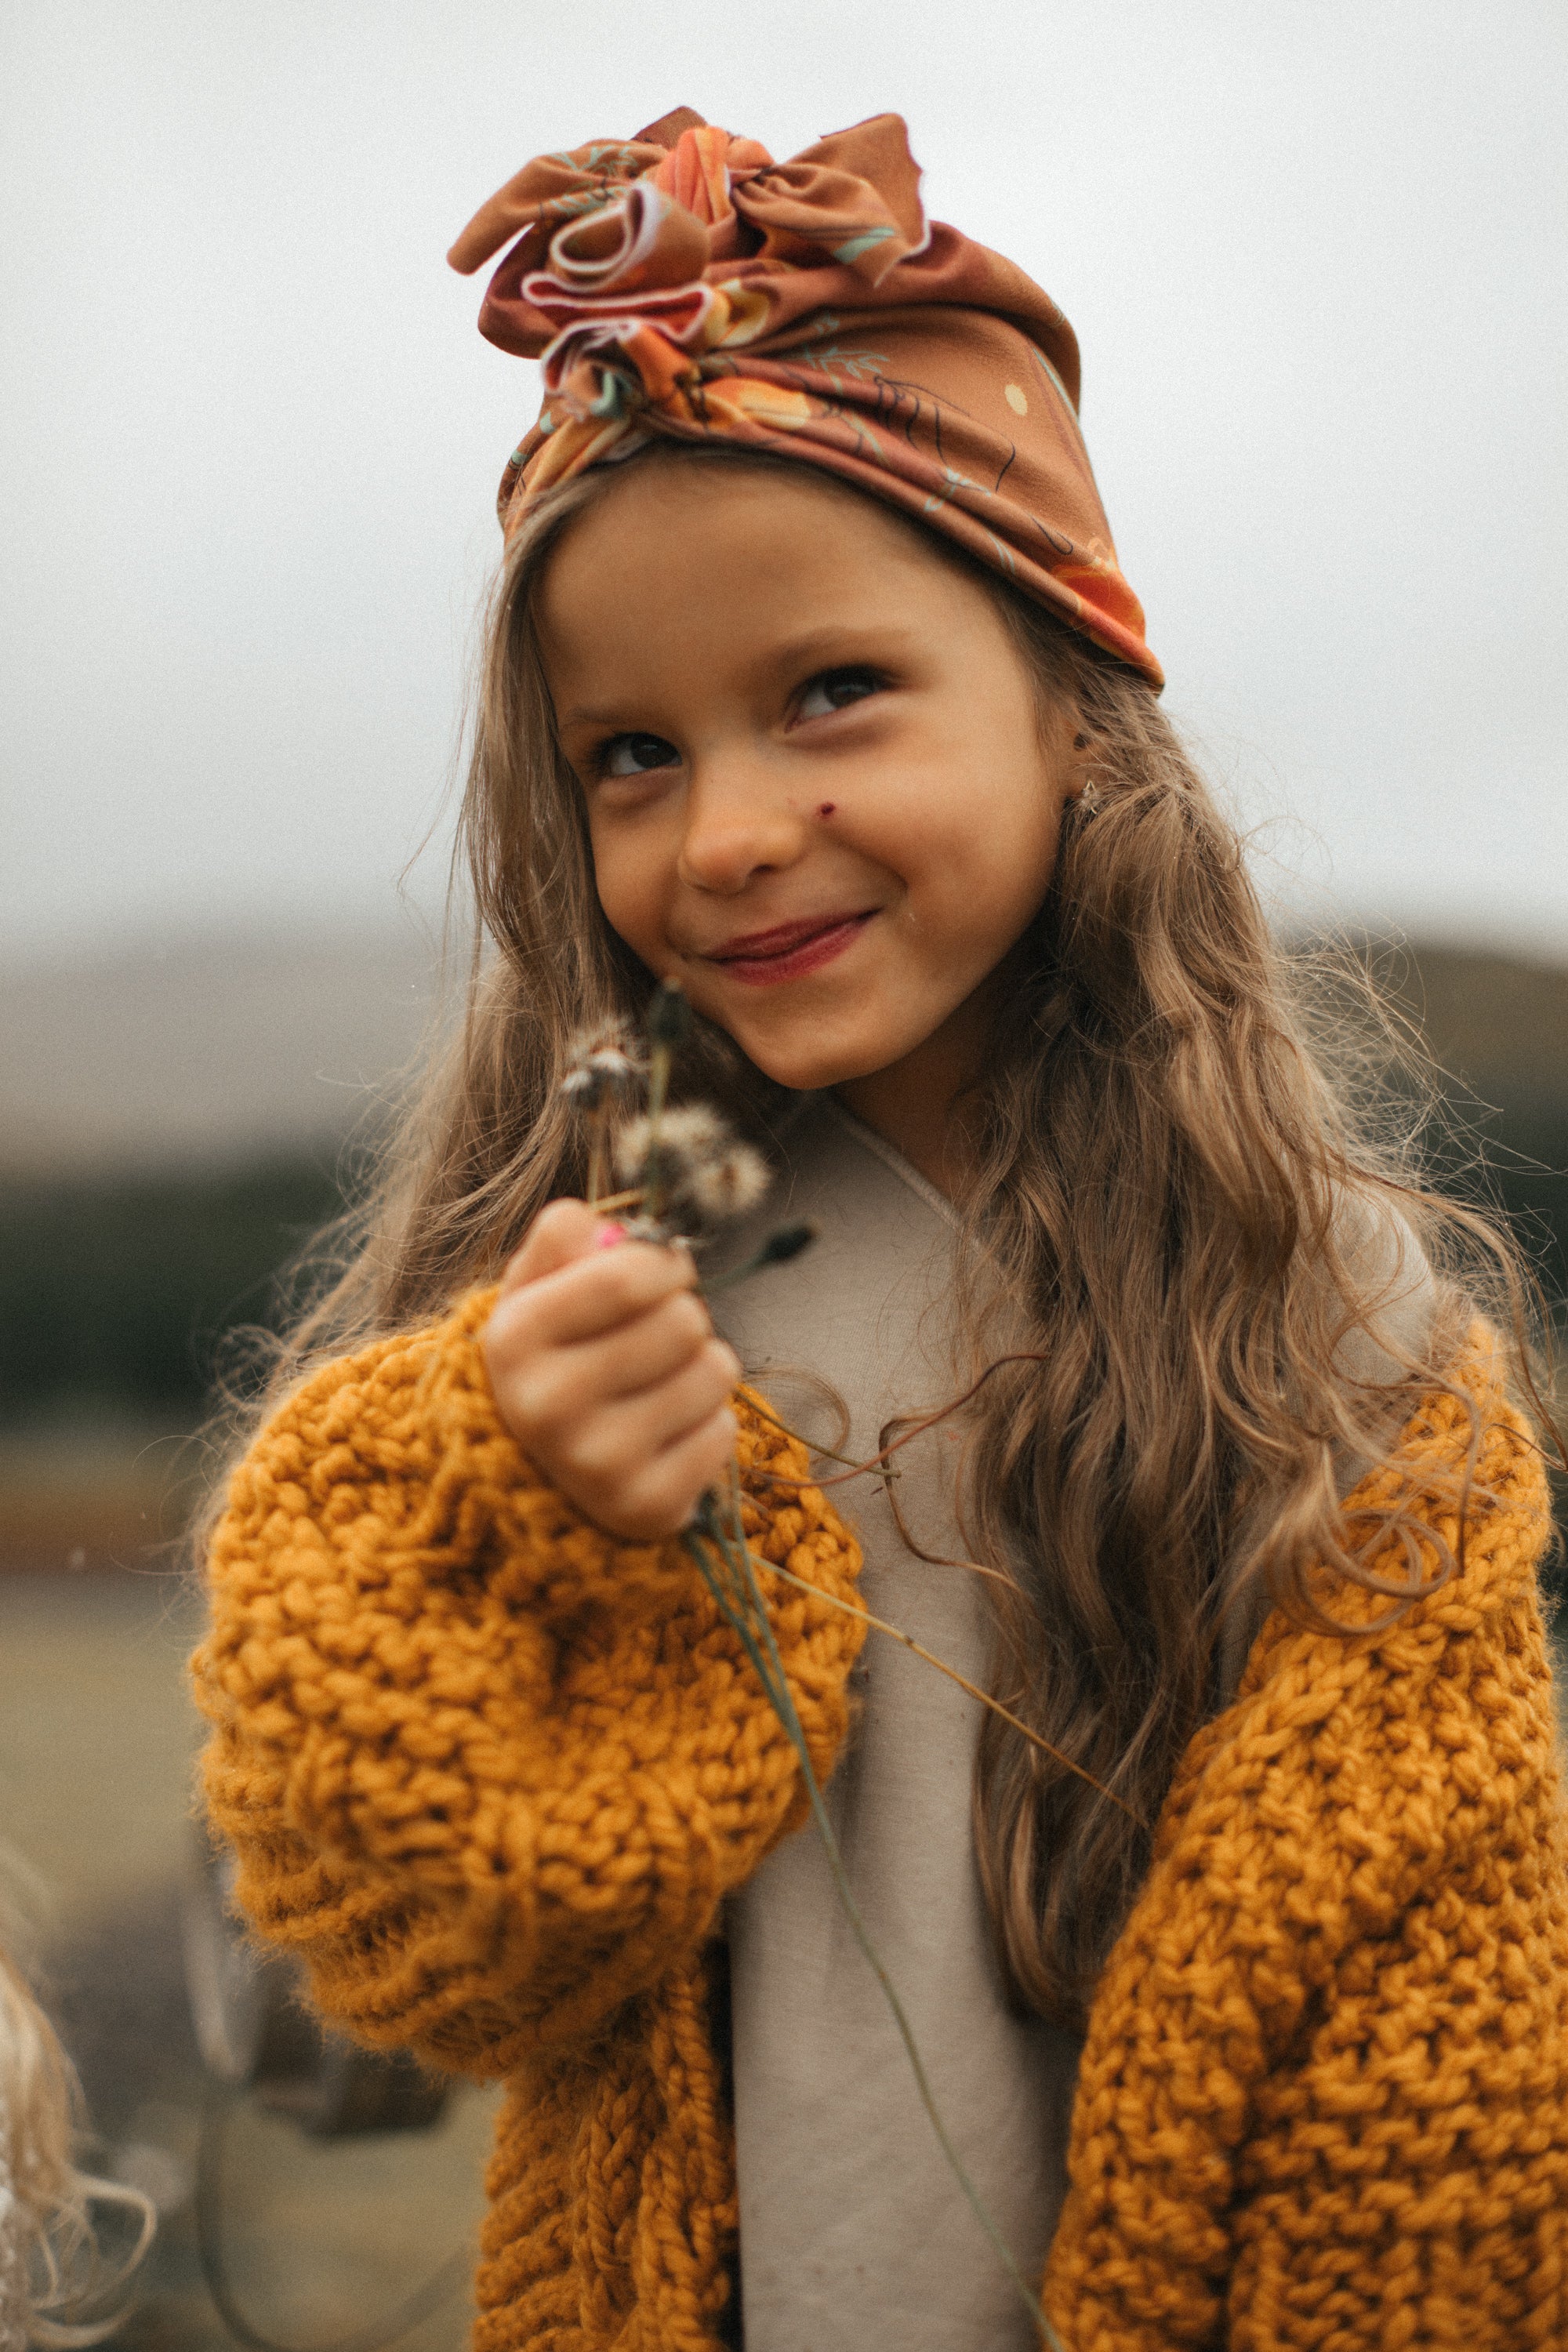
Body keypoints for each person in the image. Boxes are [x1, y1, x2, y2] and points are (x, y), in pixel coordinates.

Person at [191, 108, 1568, 2351]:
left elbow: (1446, 2086)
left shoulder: (1333, 1347)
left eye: (831, 693)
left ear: (1068, 707)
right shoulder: (594, 1301)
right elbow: (415, 1948)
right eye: (628, 755)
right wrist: (503, 1508)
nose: (727, 831)